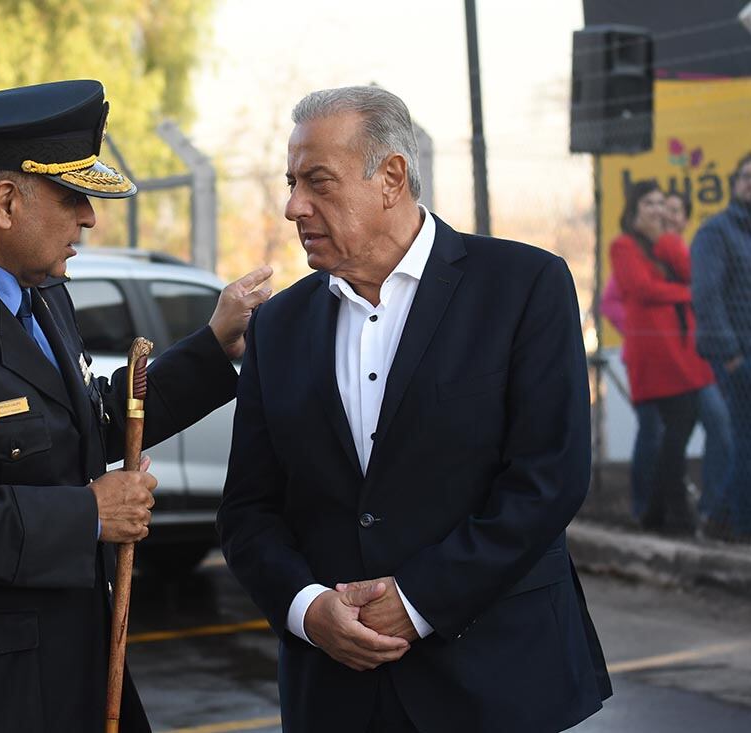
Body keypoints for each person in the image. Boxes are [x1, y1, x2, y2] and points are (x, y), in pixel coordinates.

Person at [0, 79, 272, 733]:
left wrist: (211, 346)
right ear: (6, 201)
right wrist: (90, 511)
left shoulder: (40, 293)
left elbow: (79, 426)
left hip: (62, 671)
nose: (89, 218)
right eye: (73, 198)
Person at [217, 86, 610, 733]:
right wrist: (307, 606)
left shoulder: (523, 286)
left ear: (391, 178)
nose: (293, 206)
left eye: (317, 182)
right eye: (291, 182)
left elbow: (548, 479)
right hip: (335, 693)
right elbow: (247, 510)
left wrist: (421, 598)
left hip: (496, 684)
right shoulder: (278, 325)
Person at [602, 191, 732, 529]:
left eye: (663, 205)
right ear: (633, 212)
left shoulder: (668, 246)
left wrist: (666, 241)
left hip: (684, 354)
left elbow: (693, 274)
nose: (659, 211)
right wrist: (688, 295)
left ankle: (663, 511)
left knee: (679, 430)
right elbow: (641, 289)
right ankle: (657, 509)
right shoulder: (625, 247)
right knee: (659, 432)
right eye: (650, 204)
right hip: (655, 357)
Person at [692, 151, 751, 540]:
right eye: (747, 176)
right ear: (734, 184)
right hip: (738, 357)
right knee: (744, 438)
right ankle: (728, 520)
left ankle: (725, 518)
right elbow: (706, 295)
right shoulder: (717, 232)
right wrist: (729, 356)